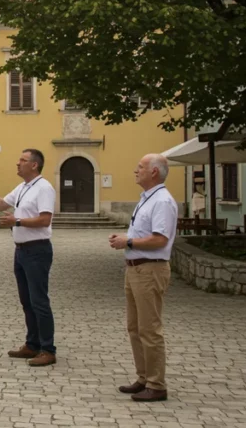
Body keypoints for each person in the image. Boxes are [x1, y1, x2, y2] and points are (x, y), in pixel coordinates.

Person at [0, 148, 58, 367]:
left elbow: (45, 220)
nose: (17, 163)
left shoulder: (44, 188)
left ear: (34, 165)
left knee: (39, 301)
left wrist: (18, 222)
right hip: (21, 250)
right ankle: (32, 344)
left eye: (22, 160)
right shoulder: (23, 187)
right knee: (27, 301)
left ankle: (48, 349)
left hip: (37, 250)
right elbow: (2, 205)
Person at [109, 154, 177, 402]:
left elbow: (160, 239)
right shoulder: (147, 199)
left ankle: (157, 384)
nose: (135, 171)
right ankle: (144, 377)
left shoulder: (162, 201)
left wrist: (127, 241)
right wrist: (127, 240)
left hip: (150, 270)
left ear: (154, 172)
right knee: (135, 327)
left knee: (150, 329)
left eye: (140, 168)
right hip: (135, 269)